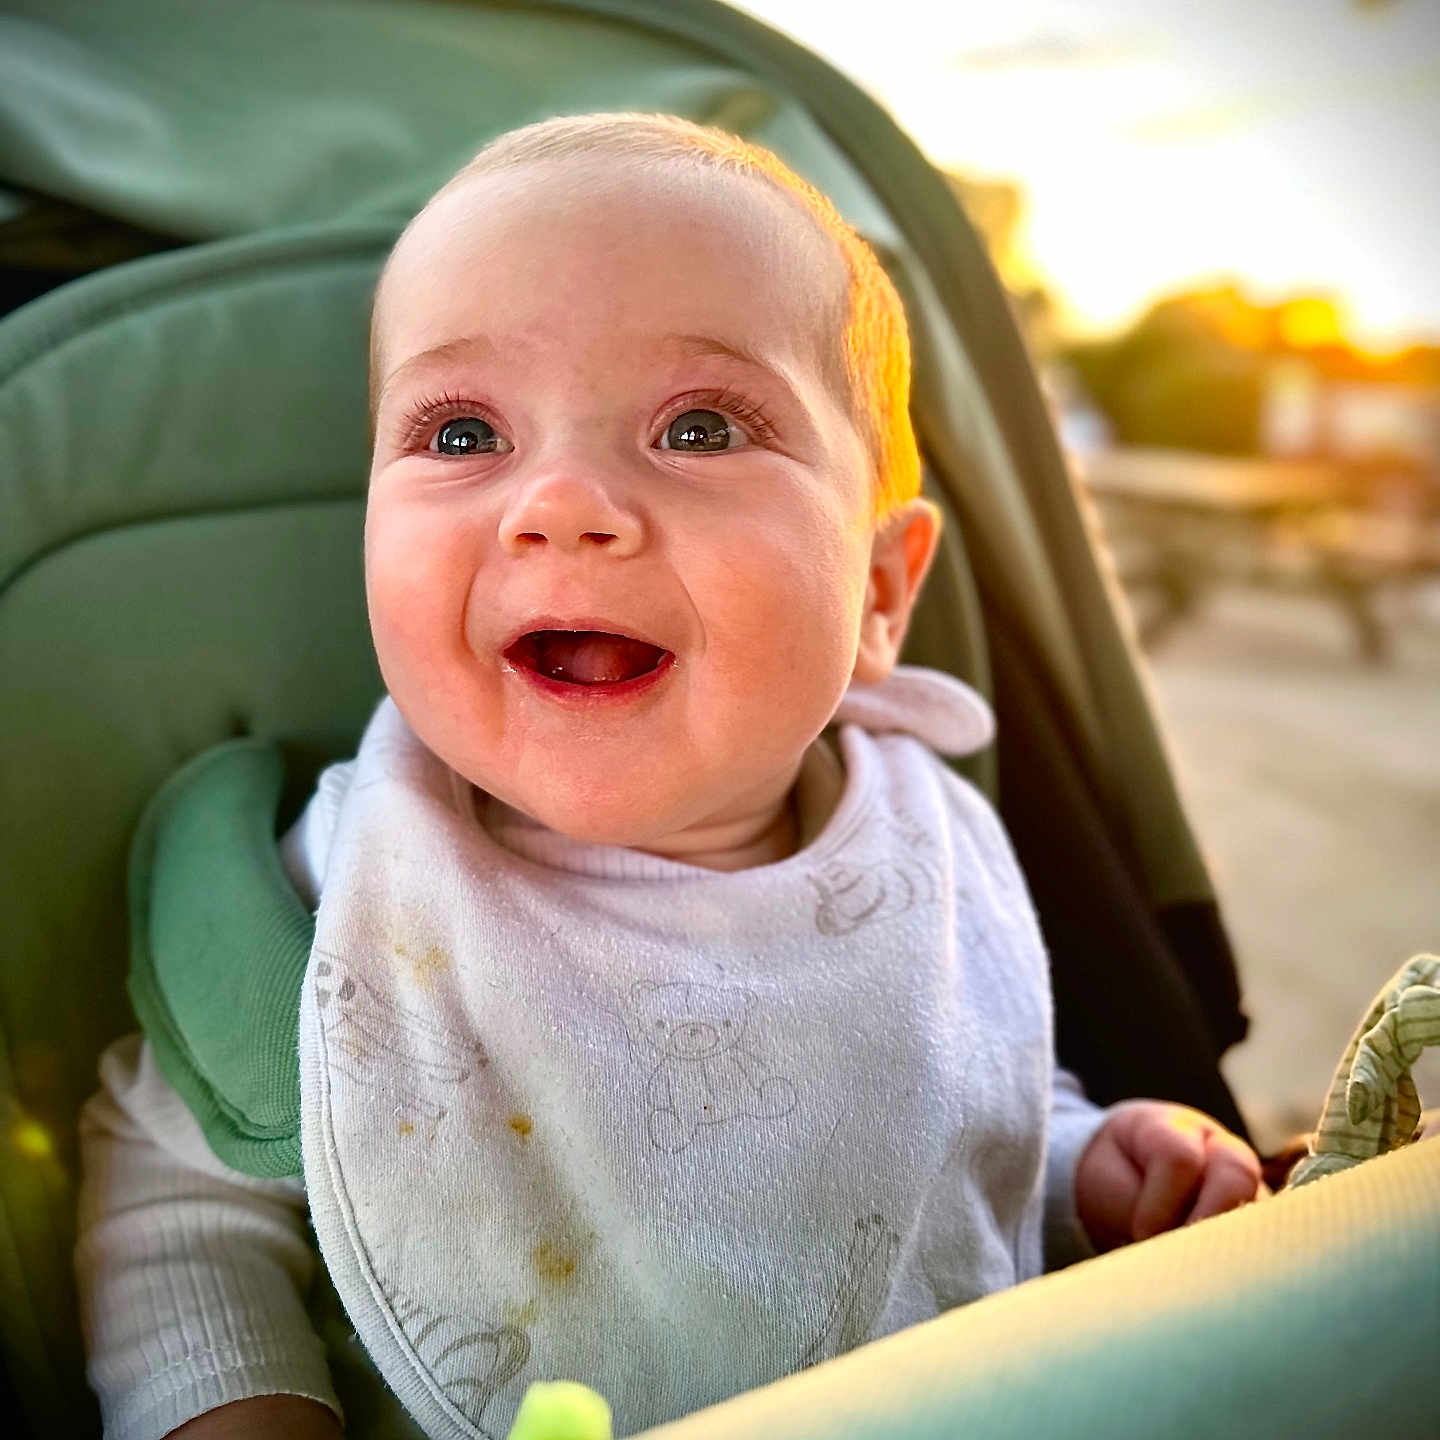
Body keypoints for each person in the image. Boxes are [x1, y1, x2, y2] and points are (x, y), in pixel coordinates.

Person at [74, 113, 1264, 1440]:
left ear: (878, 592)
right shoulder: (345, 892)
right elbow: (183, 1196)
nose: (562, 501)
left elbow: (941, 1101)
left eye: (699, 426)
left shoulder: (932, 850)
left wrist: (1081, 1166)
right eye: (463, 434)